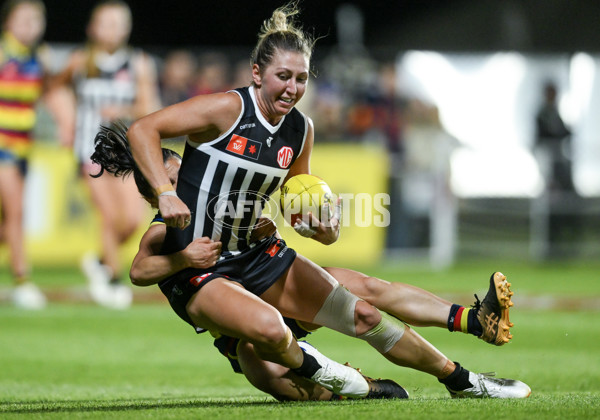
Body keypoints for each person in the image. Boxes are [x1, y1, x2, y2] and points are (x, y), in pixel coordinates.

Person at [124, 3, 531, 399]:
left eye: (301, 79)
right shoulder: (227, 109)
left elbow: (298, 199)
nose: (292, 88)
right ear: (257, 73)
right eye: (283, 76)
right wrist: (166, 192)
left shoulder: (300, 130)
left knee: (366, 310)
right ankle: (345, 381)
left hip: (257, 256)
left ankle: (465, 379)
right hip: (209, 271)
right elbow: (143, 128)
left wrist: (323, 226)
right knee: (268, 343)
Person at [92, 122, 407, 400]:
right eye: (172, 182)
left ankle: (441, 359)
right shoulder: (162, 230)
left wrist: (272, 227)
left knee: (360, 293)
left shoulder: (221, 202)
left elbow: (264, 224)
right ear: (153, 198)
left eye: (183, 175)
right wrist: (184, 258)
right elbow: (138, 271)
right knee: (273, 379)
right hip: (243, 328)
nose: (183, 186)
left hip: (278, 297)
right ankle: (363, 389)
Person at [51, 0, 160, 308]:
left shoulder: (138, 63)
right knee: (109, 217)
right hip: (89, 152)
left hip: (125, 155)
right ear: (93, 28)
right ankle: (111, 279)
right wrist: (65, 121)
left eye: (118, 23)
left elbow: (150, 106)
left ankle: (98, 261)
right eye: (107, 23)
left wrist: (123, 111)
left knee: (129, 221)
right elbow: (55, 89)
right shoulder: (80, 61)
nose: (113, 29)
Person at [0, 0, 57, 309]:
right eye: (23, 19)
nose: (31, 25)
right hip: (2, 148)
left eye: (36, 19)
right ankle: (23, 281)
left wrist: (65, 121)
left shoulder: (40, 57)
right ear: (8, 22)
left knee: (7, 220)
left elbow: (48, 94)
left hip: (23, 150)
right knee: (16, 212)